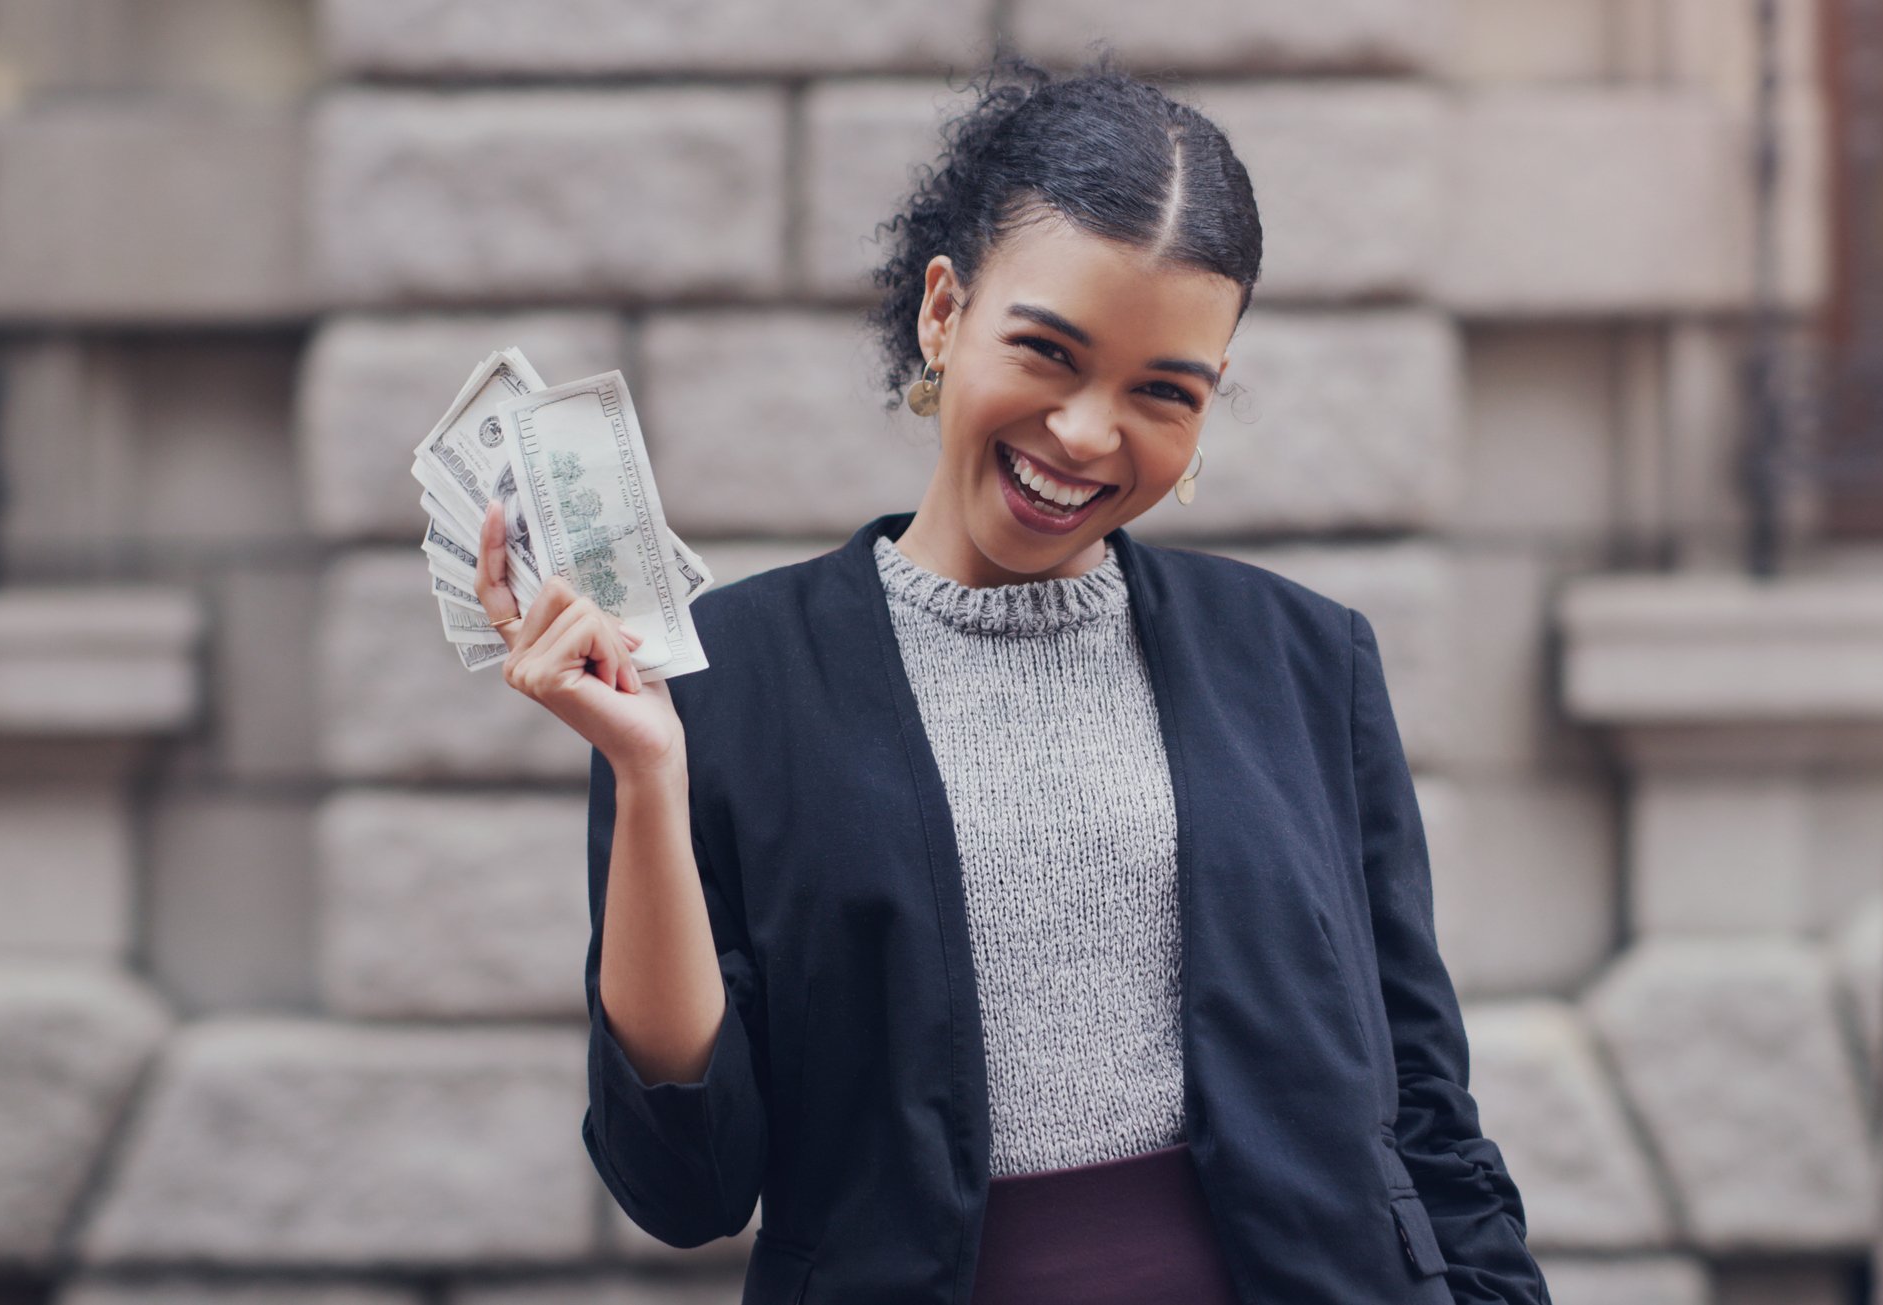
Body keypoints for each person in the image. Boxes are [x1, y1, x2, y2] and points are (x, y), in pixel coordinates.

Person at [471, 51, 1551, 1305]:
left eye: (1162, 391)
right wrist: (649, 775)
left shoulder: (1306, 664)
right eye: (1046, 352)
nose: (1088, 434)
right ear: (943, 312)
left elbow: (1424, 1114)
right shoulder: (720, 685)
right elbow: (684, 1188)